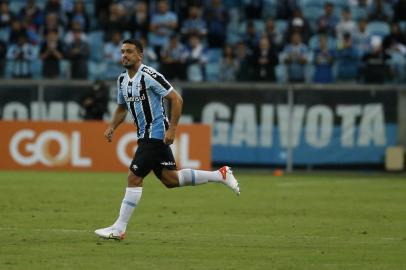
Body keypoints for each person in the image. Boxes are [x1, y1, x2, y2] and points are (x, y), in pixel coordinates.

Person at [95, 39, 240, 240]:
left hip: (155, 134)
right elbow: (122, 107)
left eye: (129, 51)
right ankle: (220, 175)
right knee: (170, 179)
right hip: (144, 135)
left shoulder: (149, 76)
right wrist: (112, 126)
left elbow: (176, 99)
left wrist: (172, 129)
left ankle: (119, 228)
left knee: (134, 177)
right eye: (122, 51)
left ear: (140, 55)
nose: (124, 55)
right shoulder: (121, 80)